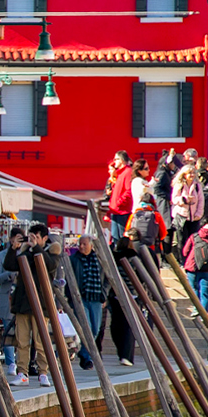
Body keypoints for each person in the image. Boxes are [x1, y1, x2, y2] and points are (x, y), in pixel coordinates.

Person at [4, 222, 57, 386]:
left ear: (45, 238)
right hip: (23, 303)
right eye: (31, 236)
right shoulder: (25, 253)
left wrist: (36, 248)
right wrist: (14, 248)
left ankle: (43, 373)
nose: (32, 240)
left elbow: (50, 265)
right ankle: (22, 373)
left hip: (41, 304)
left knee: (41, 342)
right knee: (22, 341)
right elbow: (10, 265)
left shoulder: (51, 252)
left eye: (36, 237)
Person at [69, 235, 106, 370]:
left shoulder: (99, 260)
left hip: (96, 297)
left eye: (84, 244)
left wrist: (104, 294)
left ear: (91, 245)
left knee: (95, 328)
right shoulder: (73, 259)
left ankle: (84, 353)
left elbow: (107, 277)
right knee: (87, 327)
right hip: (81, 298)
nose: (81, 247)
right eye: (80, 244)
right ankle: (87, 357)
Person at [0, 228, 25, 374]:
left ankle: (24, 363)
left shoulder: (26, 253)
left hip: (23, 299)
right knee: (8, 329)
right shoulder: (1, 256)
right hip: (8, 297)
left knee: (23, 332)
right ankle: (11, 363)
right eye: (16, 239)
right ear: (11, 239)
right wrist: (9, 274)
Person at [108, 235, 140, 366]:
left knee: (116, 325)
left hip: (116, 296)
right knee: (127, 327)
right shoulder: (134, 258)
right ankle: (126, 355)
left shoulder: (113, 259)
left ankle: (122, 352)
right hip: (132, 295)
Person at [171, 160, 204, 248]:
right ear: (184, 175)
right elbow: (174, 199)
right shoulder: (179, 185)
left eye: (193, 173)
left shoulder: (197, 186)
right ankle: (183, 260)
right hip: (181, 216)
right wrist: (184, 200)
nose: (192, 175)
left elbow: (201, 201)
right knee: (182, 241)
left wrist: (199, 213)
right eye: (189, 173)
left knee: (194, 240)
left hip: (194, 217)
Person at [108, 151, 135, 234]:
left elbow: (128, 191)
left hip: (122, 211)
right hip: (116, 210)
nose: (114, 161)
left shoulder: (127, 172)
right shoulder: (120, 173)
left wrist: (118, 203)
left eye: (116, 159)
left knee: (122, 237)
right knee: (115, 236)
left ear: (122, 160)